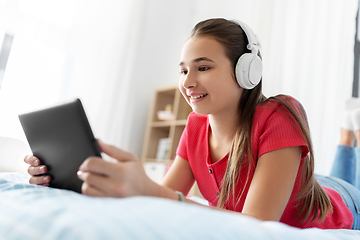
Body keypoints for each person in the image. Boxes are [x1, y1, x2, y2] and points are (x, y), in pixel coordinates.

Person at [24, 18, 360, 229]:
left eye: (203, 67)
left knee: (347, 180)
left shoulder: (280, 115)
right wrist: (84, 179)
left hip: (340, 202)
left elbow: (257, 226)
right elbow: (164, 196)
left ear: (247, 71)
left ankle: (347, 136)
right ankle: (348, 136)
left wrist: (149, 189)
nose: (187, 81)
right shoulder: (195, 126)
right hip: (299, 179)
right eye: (183, 69)